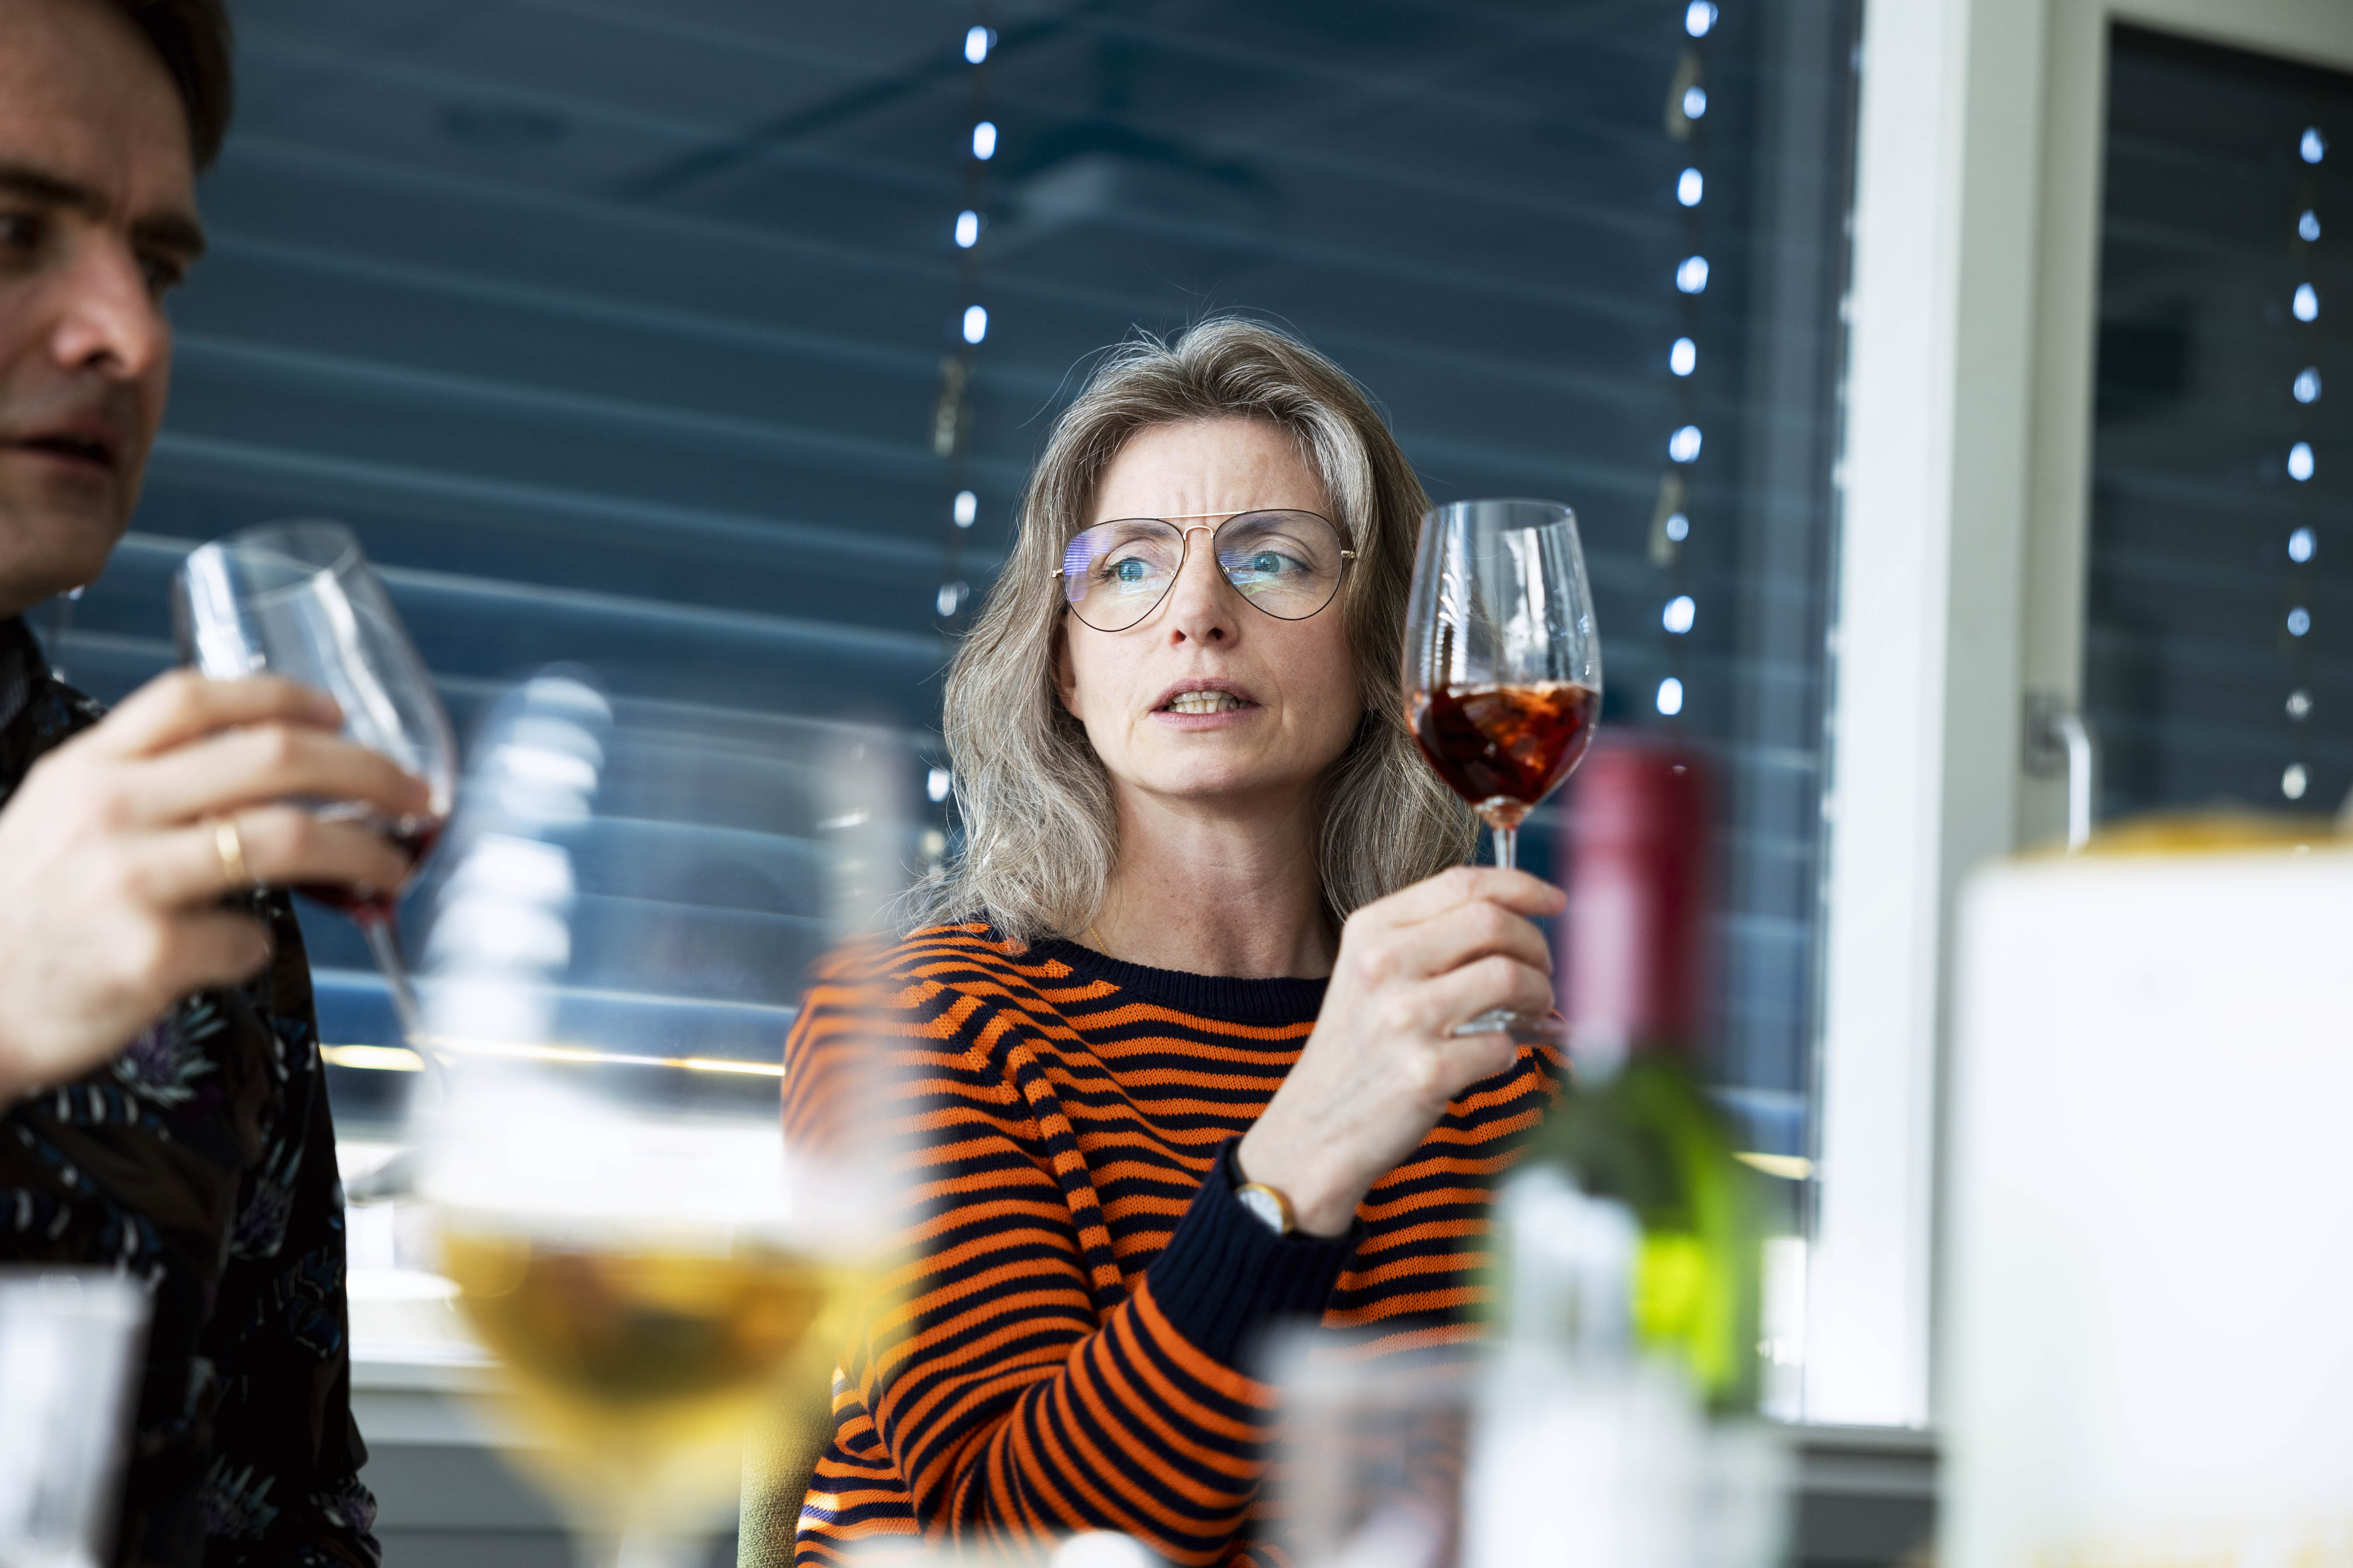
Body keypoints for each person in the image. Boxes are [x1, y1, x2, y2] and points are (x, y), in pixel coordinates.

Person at [763, 319, 1566, 1567]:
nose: (1197, 612)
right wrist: (1302, 1159)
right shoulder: (922, 1022)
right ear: (1065, 661)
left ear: (1378, 651)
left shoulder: (1501, 1072)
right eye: (1129, 569)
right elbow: (1009, 1523)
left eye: (1275, 558)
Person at [0, 2, 425, 1562]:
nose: (128, 329)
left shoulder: (192, 851)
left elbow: (298, 1503)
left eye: (158, 265)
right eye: (9, 228)